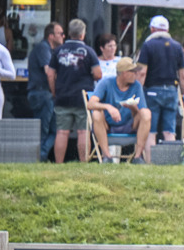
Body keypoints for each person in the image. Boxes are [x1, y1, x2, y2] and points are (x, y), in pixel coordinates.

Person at [46, 18, 101, 163]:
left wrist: (54, 92)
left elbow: (50, 74)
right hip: (82, 98)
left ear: (69, 33)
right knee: (83, 131)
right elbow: (98, 74)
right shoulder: (89, 52)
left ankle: (59, 164)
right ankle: (83, 162)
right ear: (83, 34)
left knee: (62, 132)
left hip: (62, 96)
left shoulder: (58, 51)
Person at [86, 57, 152, 164]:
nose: (136, 74)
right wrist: (108, 107)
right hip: (107, 125)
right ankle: (107, 157)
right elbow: (90, 104)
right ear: (124, 73)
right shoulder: (106, 83)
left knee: (146, 113)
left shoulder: (136, 85)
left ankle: (138, 157)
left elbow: (141, 112)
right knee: (97, 114)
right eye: (133, 72)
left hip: (130, 125)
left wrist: (132, 107)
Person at [136, 15, 184, 151]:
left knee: (151, 129)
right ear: (167, 29)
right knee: (169, 130)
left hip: (152, 91)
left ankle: (150, 162)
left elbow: (142, 72)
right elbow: (183, 75)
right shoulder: (177, 46)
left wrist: (137, 90)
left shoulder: (148, 45)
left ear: (152, 29)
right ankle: (170, 162)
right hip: (171, 91)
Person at [27, 21, 63, 160]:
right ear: (51, 36)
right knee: (43, 130)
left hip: (45, 94)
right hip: (42, 93)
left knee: (56, 130)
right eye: (60, 33)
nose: (63, 36)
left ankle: (41, 156)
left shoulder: (50, 50)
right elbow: (49, 72)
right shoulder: (43, 48)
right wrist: (54, 93)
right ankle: (38, 158)